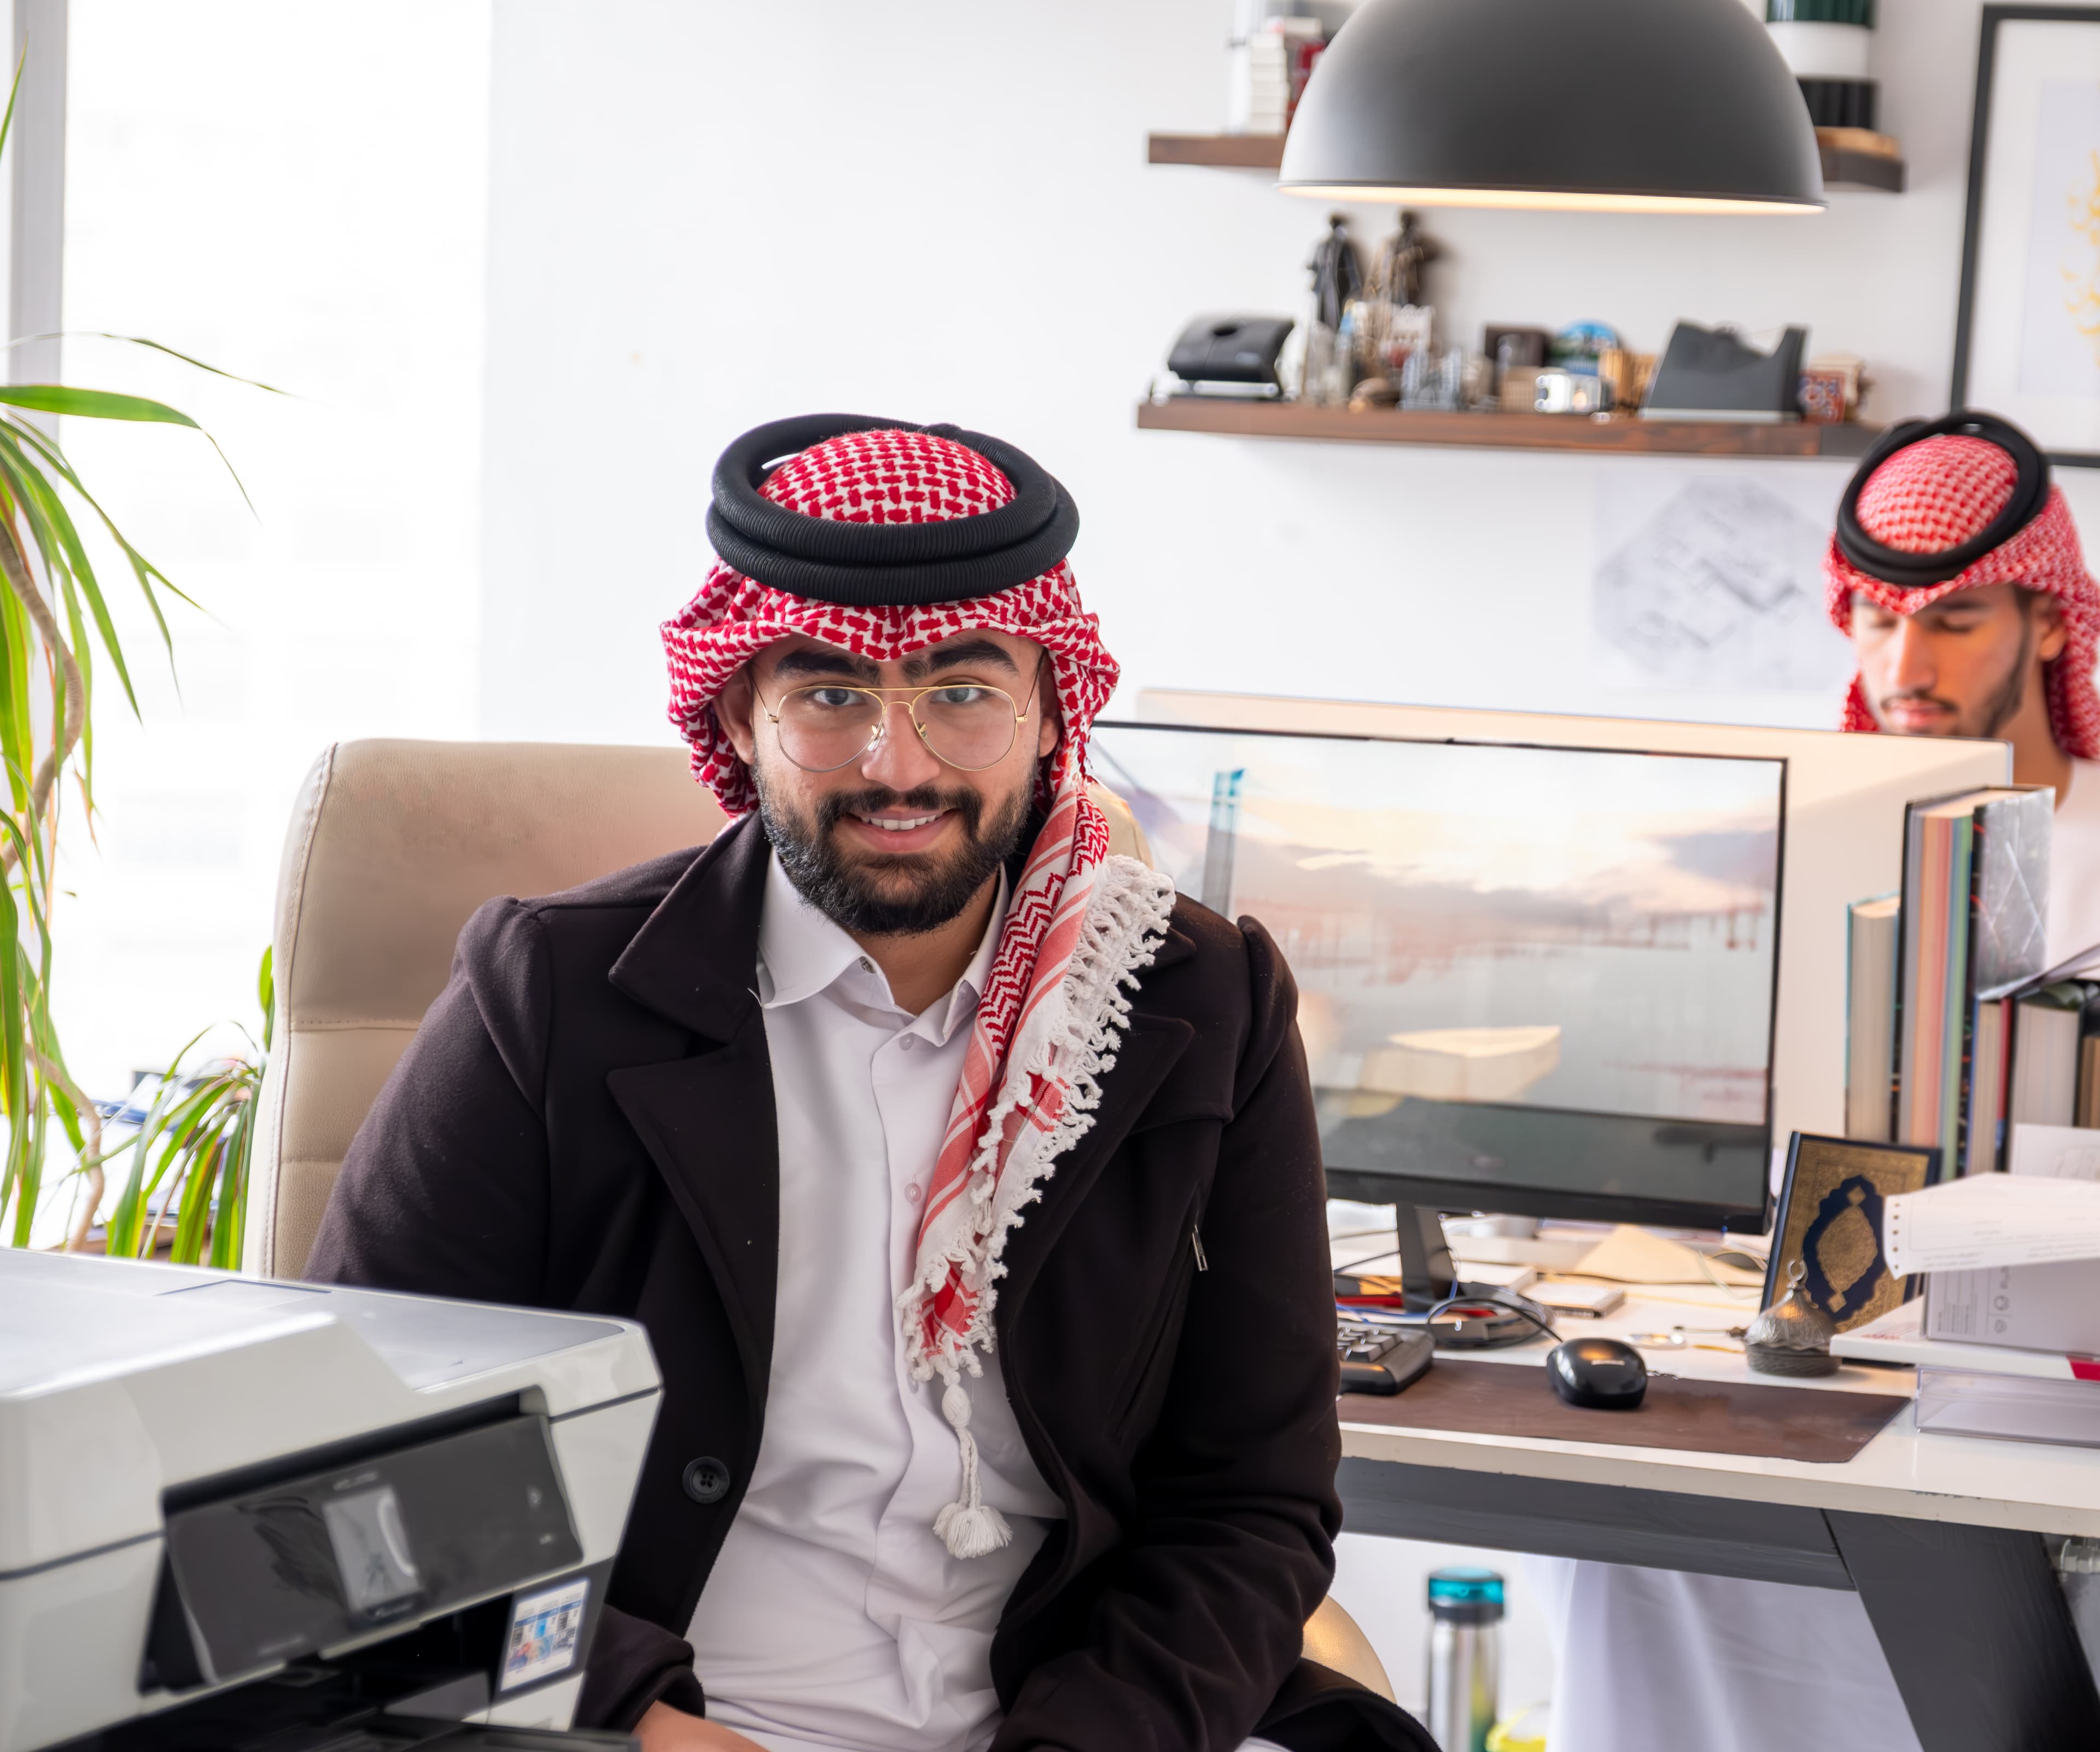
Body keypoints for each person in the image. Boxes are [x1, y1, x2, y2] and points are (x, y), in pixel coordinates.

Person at [306, 415, 1428, 1752]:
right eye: (831, 696)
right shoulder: (552, 995)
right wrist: (635, 1721)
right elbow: (356, 1448)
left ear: (1050, 712)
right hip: (675, 1720)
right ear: (742, 713)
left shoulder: (1201, 1004)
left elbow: (1249, 1499)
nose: (901, 766)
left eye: (964, 693)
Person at [1541, 411, 2100, 1752]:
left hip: (2037, 1401)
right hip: (1788, 1364)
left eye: (1954, 621)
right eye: (1876, 620)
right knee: (1627, 1543)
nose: (1906, 665)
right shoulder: (1787, 834)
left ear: (2051, 623)